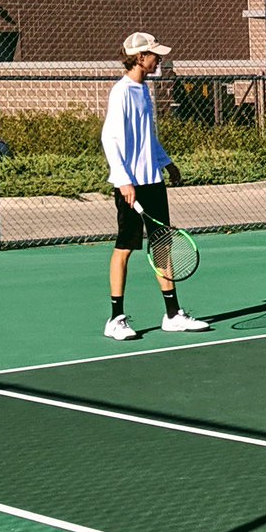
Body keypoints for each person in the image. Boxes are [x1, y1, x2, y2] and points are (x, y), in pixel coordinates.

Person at [101, 31, 210, 340]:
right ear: (140, 58)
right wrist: (123, 181)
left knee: (162, 247)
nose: (159, 59)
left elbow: (146, 138)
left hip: (152, 182)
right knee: (125, 249)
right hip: (131, 185)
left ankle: (173, 314)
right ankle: (115, 319)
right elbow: (109, 139)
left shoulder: (143, 90)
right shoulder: (121, 92)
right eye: (154, 55)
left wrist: (167, 163)